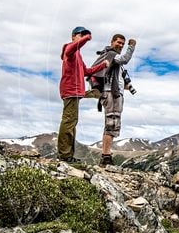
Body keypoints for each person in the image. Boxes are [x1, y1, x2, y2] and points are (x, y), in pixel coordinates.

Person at [57, 26, 107, 162]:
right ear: (73, 36)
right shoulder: (70, 50)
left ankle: (68, 155)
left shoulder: (78, 55)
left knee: (72, 122)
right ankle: (64, 156)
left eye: (84, 34)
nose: (83, 36)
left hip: (76, 92)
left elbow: (87, 71)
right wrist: (87, 37)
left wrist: (102, 65)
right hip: (70, 91)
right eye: (80, 34)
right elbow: (72, 48)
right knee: (68, 121)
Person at [96, 34, 136, 166]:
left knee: (112, 123)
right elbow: (125, 59)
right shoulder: (111, 54)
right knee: (111, 123)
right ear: (112, 42)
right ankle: (106, 156)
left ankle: (106, 155)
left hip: (113, 93)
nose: (120, 45)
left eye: (122, 44)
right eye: (118, 42)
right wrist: (131, 46)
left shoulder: (111, 57)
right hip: (111, 94)